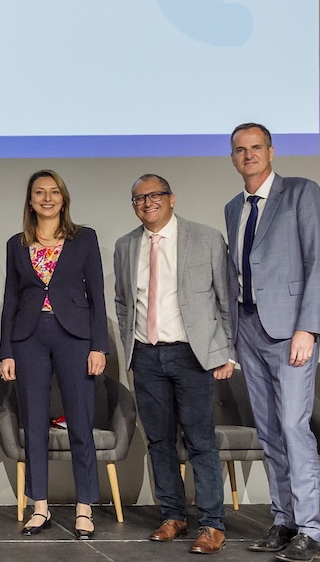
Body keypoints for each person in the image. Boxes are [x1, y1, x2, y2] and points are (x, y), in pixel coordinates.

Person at [224, 124, 320, 562]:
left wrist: (308, 327)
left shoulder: (301, 192)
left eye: (256, 147)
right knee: (269, 431)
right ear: (233, 157)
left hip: (291, 330)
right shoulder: (234, 207)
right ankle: (284, 519)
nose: (248, 155)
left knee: (293, 426)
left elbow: (318, 262)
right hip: (248, 327)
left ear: (271, 151)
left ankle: (310, 528)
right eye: (240, 149)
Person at [115, 175, 234, 554]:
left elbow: (226, 298)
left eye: (155, 195)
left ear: (172, 199)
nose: (147, 202)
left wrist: (228, 352)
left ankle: (212, 524)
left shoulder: (206, 238)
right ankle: (173, 516)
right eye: (139, 198)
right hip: (146, 355)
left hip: (192, 355)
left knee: (200, 441)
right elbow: (123, 302)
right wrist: (131, 346)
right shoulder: (125, 245)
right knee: (159, 441)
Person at [0, 169, 108, 540]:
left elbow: (97, 295)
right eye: (39, 192)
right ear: (30, 201)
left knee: (80, 421)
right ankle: (40, 506)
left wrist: (99, 346)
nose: (47, 198)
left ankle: (84, 507)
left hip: (74, 337)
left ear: (63, 198)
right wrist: (6, 352)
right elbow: (11, 299)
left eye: (54, 191)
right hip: (28, 337)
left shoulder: (84, 238)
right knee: (34, 423)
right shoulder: (16, 243)